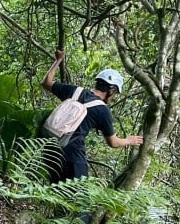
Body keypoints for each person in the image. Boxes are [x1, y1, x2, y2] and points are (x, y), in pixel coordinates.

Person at [41, 49, 143, 183]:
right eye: (115, 93)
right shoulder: (102, 110)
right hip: (73, 158)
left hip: (50, 150)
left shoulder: (75, 91)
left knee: (56, 194)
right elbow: (113, 142)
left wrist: (58, 60)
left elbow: (46, 82)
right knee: (78, 200)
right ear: (111, 90)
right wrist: (129, 140)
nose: (113, 97)